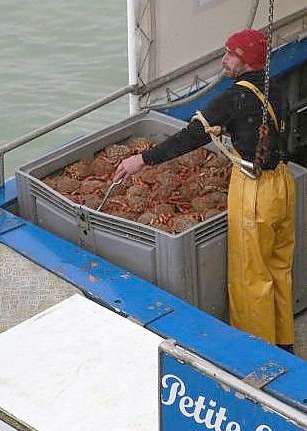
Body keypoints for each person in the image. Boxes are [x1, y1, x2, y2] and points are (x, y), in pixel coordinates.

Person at [113, 28, 296, 353]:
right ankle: (284, 344)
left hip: (254, 190)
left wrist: (142, 159)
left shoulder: (233, 99)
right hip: (283, 184)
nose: (224, 60)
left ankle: (257, 353)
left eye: (231, 55)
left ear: (247, 60)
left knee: (250, 276)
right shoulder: (275, 88)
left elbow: (191, 136)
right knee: (279, 265)